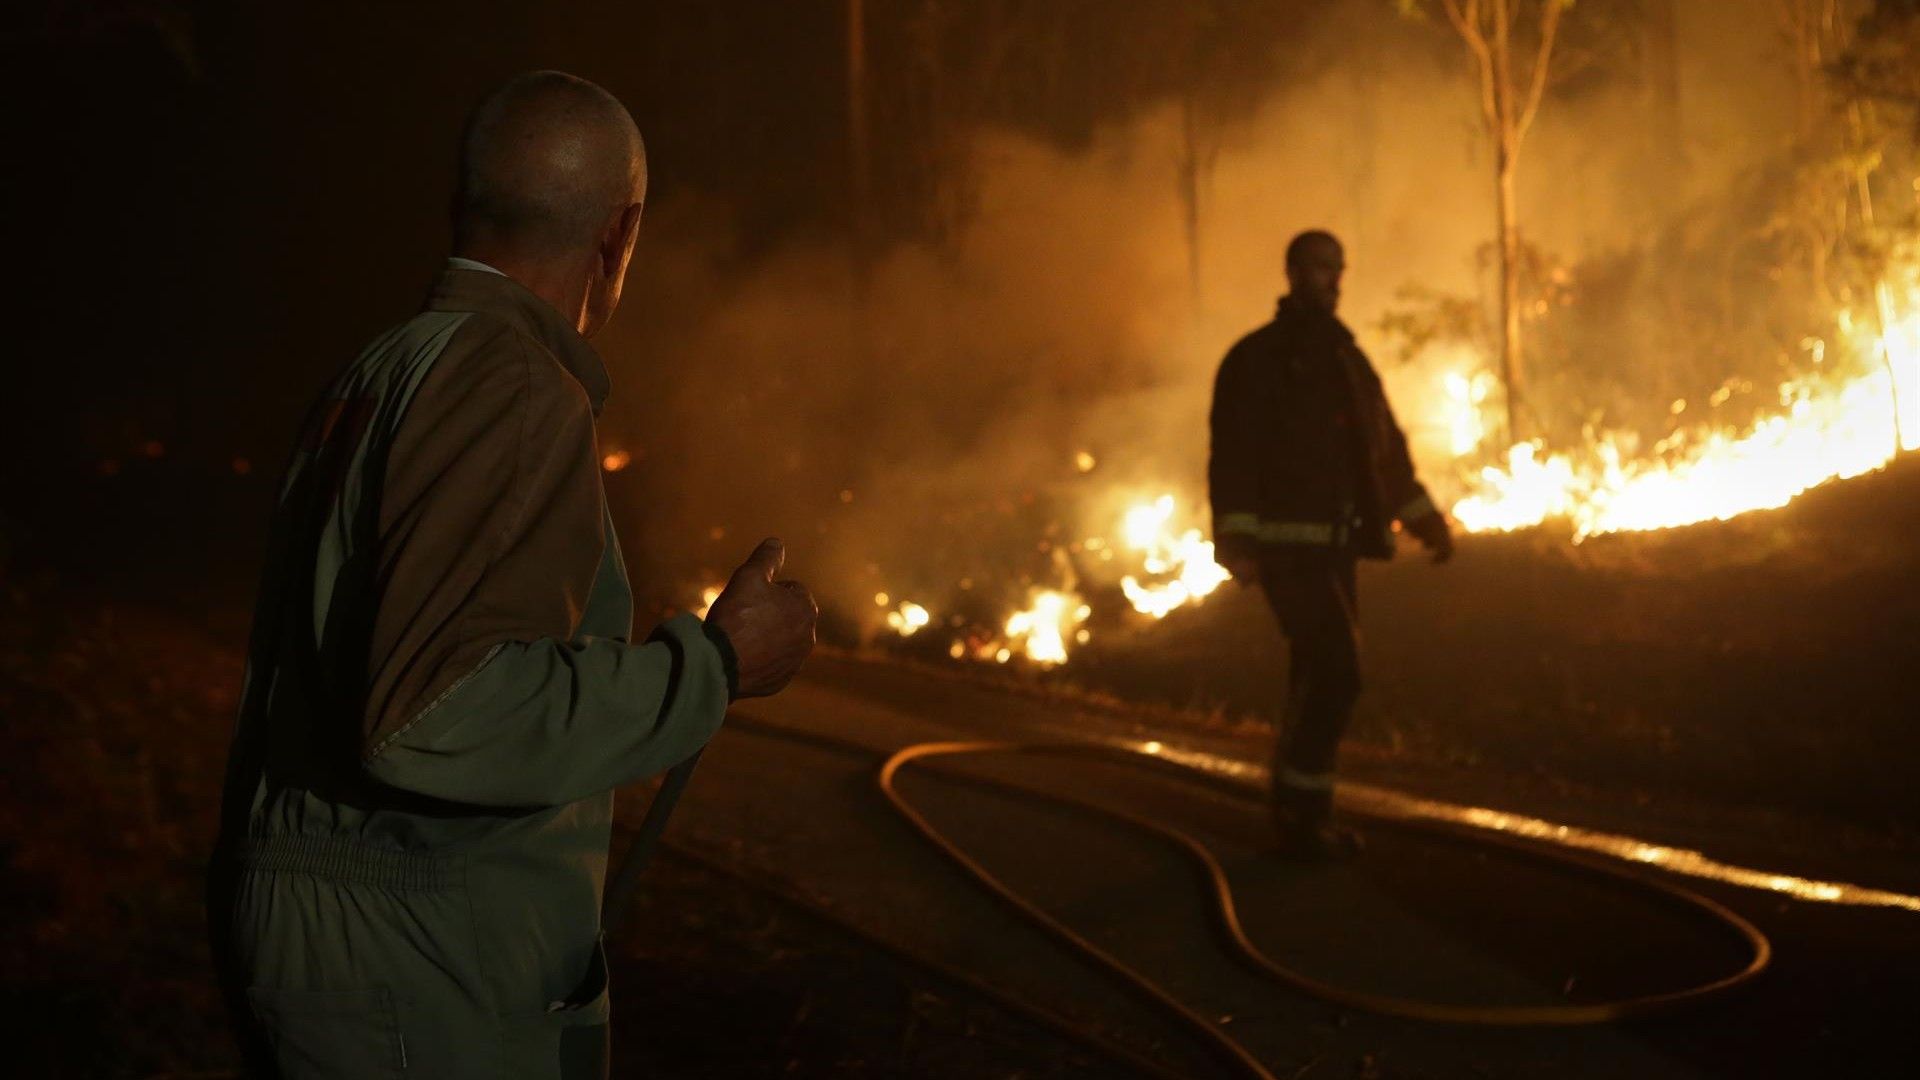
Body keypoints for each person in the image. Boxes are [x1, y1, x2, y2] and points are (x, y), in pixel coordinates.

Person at [206, 71, 817, 1078]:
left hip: (335, 932)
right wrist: (711, 666)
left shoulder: (384, 369)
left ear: (464, 206)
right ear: (619, 236)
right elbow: (436, 711)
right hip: (417, 957)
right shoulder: (511, 383)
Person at [1208, 229, 1453, 860]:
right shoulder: (1258, 360)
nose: (1333, 281)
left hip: (1336, 552)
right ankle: (1301, 817)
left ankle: (1298, 812)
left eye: (1338, 269)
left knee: (1318, 674)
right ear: (1292, 272)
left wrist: (1424, 520)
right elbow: (1232, 457)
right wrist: (1237, 540)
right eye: (1321, 269)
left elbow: (1385, 452)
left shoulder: (1348, 362)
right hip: (1289, 554)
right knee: (1339, 673)